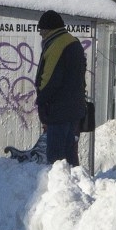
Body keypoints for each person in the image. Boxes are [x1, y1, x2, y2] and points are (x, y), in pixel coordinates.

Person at [34, 9, 87, 166]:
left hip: (59, 108)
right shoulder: (72, 42)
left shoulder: (57, 45)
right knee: (70, 153)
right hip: (74, 106)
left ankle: (60, 180)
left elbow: (49, 78)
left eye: (42, 29)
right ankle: (73, 180)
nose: (40, 33)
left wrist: (42, 100)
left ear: (49, 29)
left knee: (56, 157)